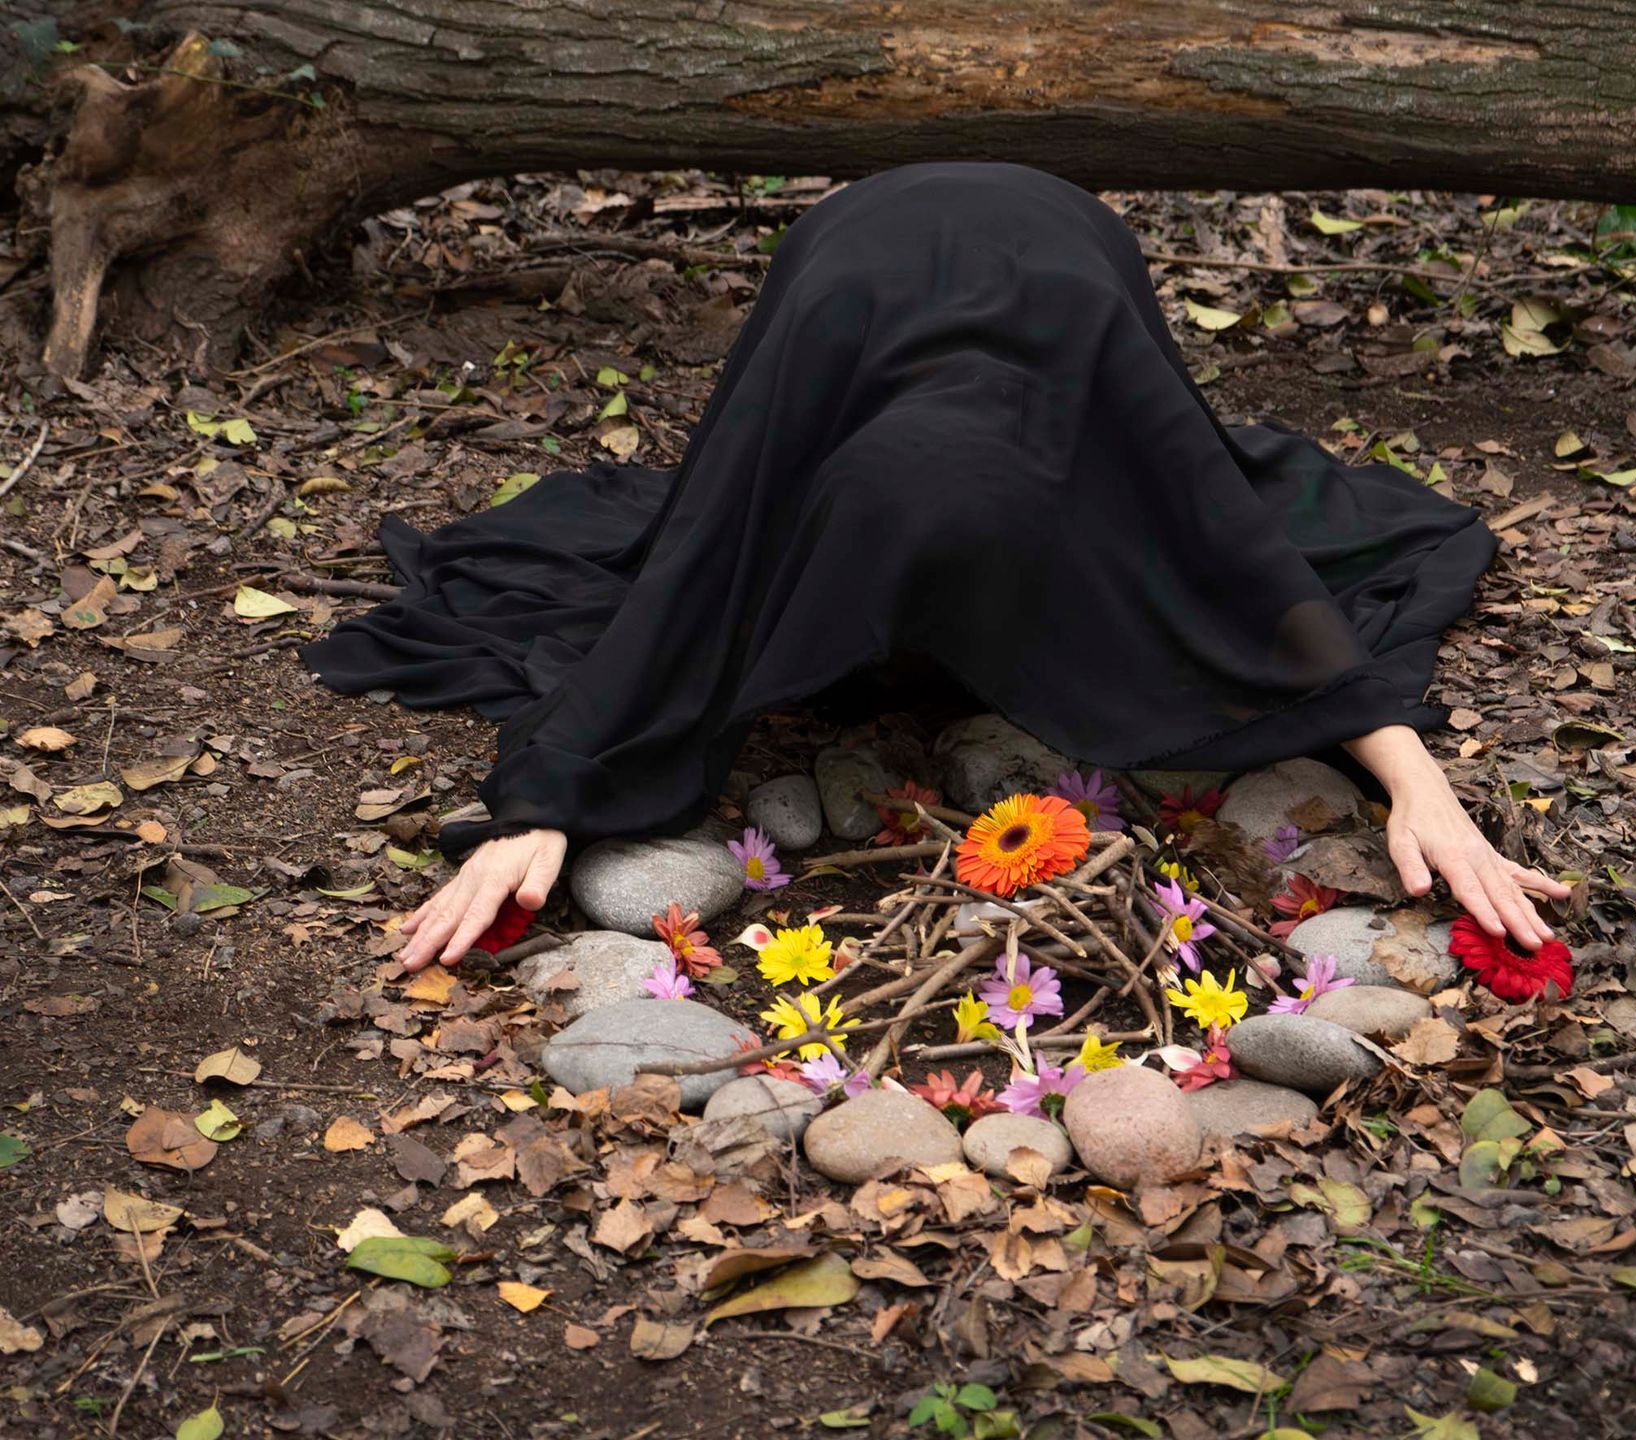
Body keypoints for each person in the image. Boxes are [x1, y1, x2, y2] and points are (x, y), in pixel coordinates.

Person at [302, 161, 1571, 972]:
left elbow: (1252, 580)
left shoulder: (1106, 427)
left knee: (1184, 514)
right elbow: (680, 599)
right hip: (852, 254)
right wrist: (544, 802)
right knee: (749, 534)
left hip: (1064, 247)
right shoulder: (806, 442)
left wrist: (1420, 788)